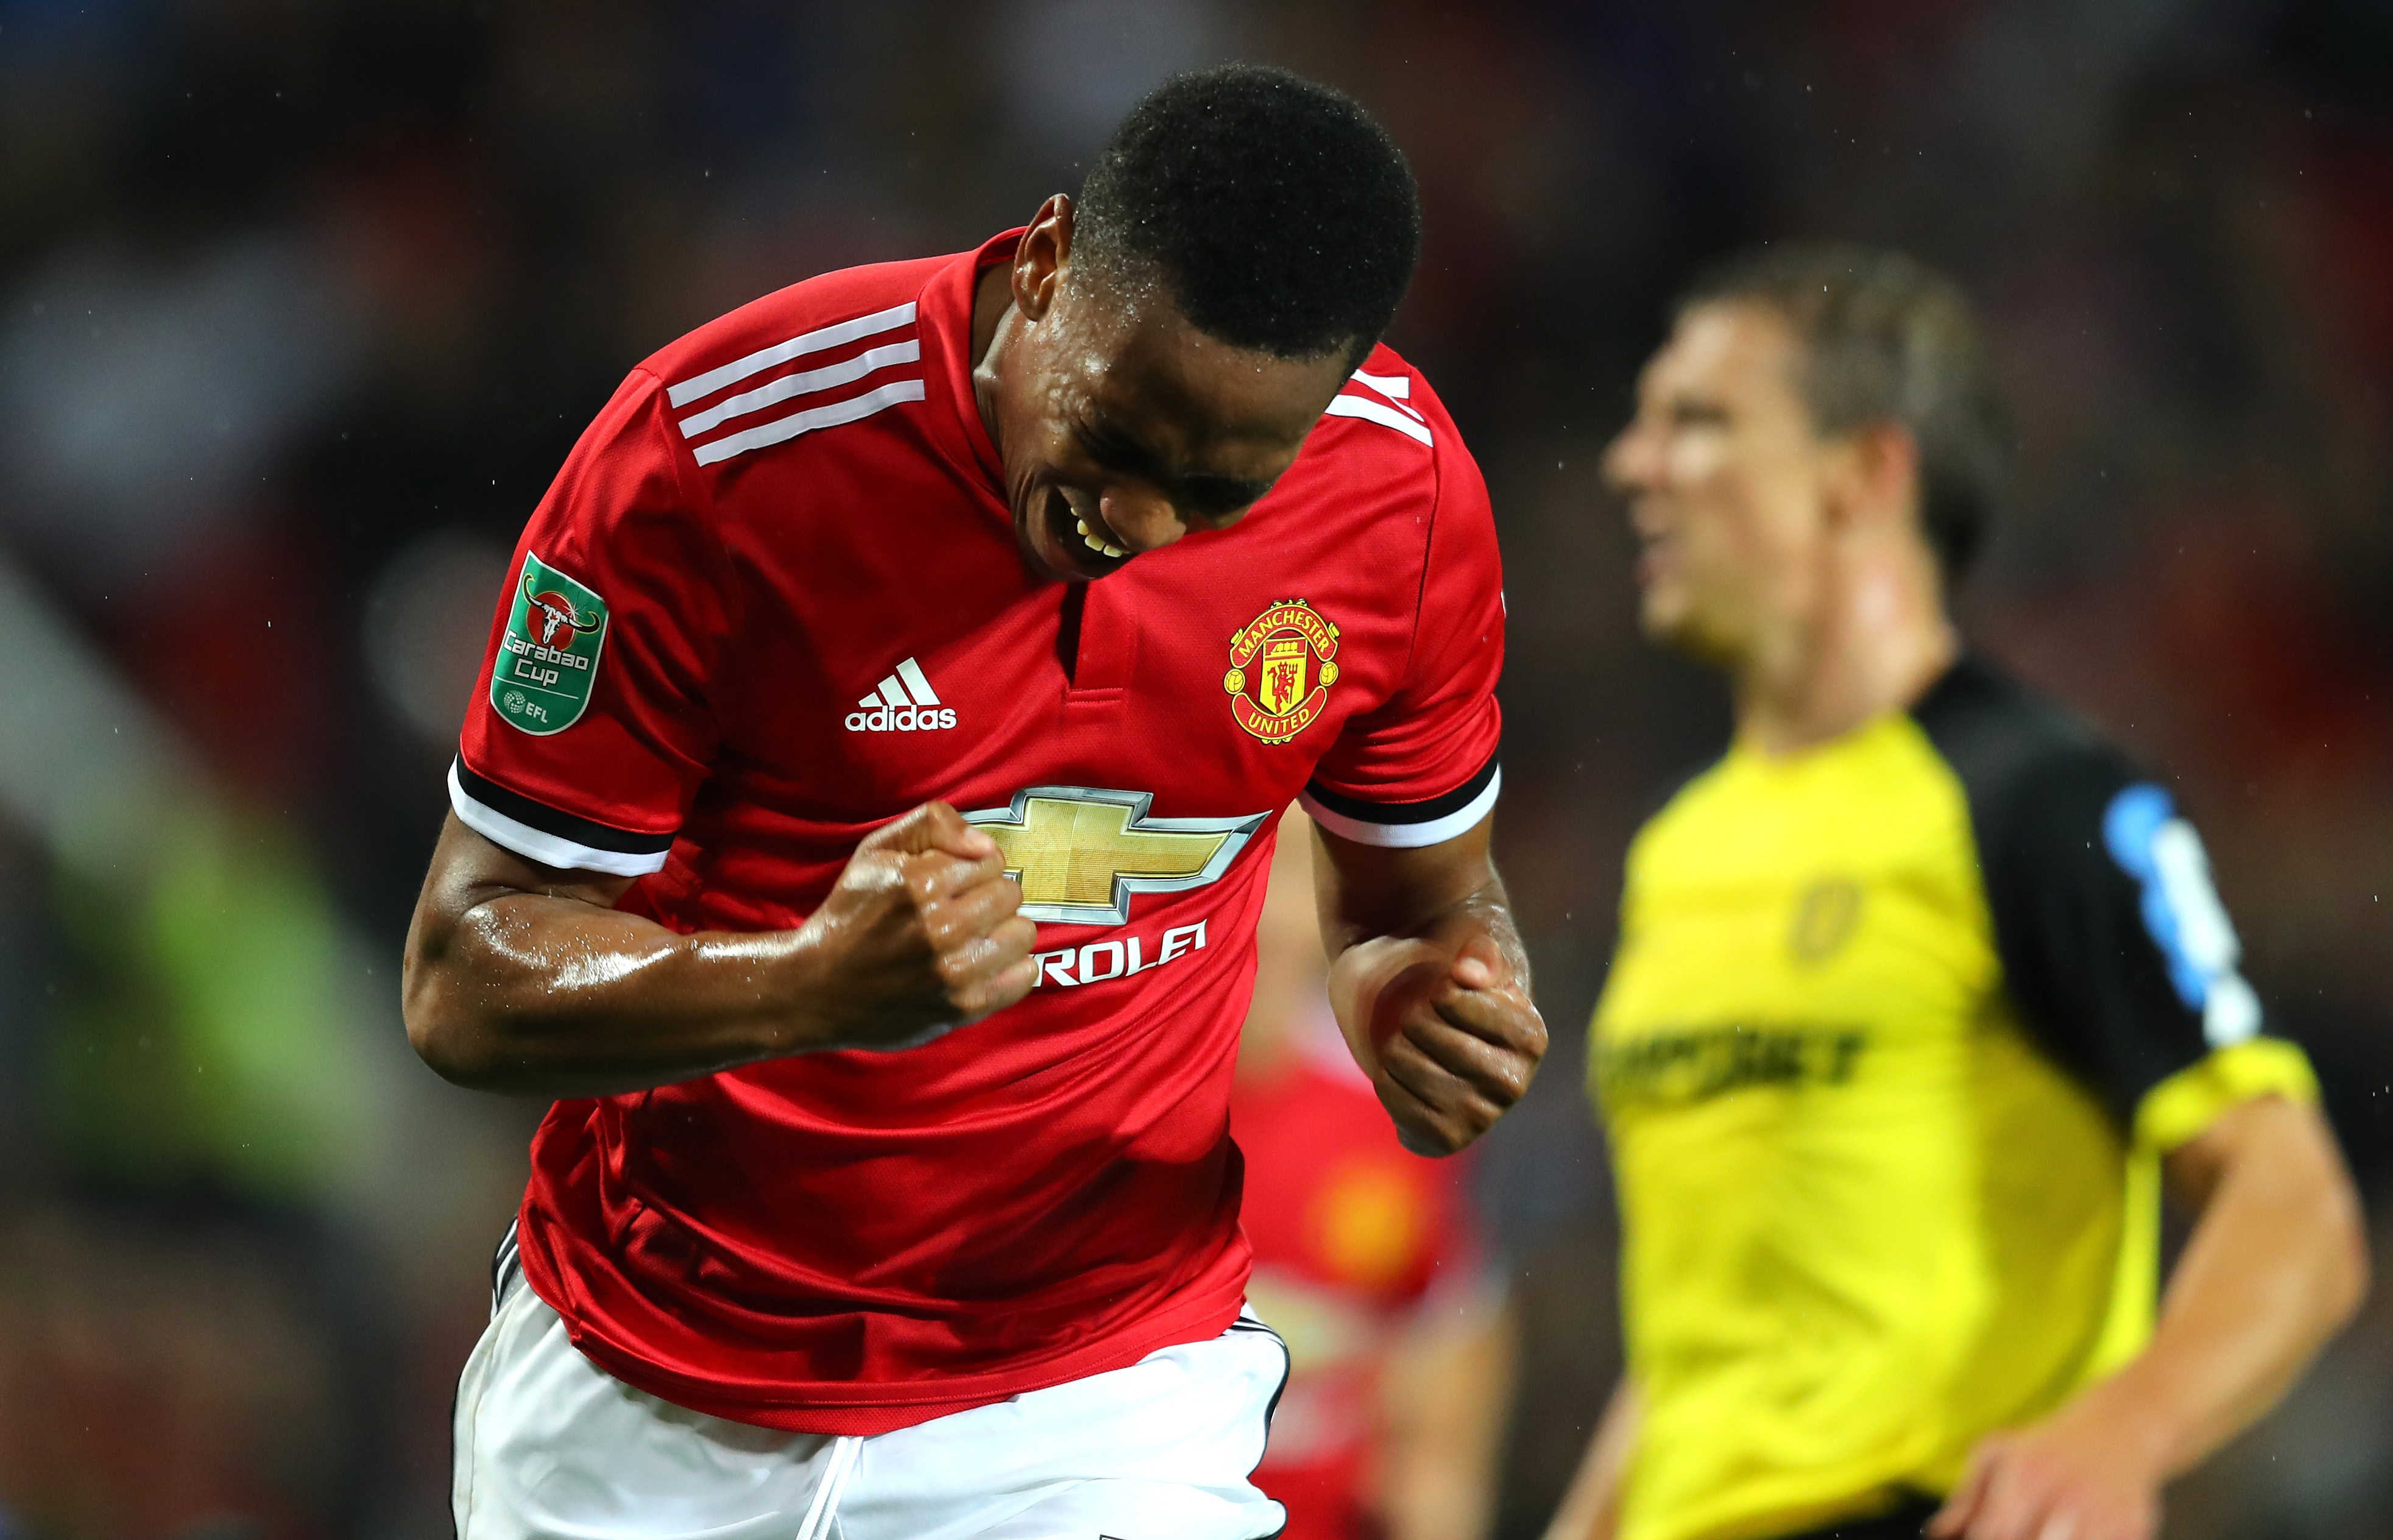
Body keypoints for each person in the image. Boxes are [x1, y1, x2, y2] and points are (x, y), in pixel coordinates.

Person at [400, 65, 1548, 1540]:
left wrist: (1424, 994)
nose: (1136, 524)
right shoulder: (718, 456)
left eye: (1216, 494)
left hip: (1094, 1396)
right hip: (650, 1390)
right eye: (1117, 436)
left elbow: (1423, 907)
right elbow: (462, 978)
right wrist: (804, 982)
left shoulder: (1402, 504)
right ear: (1049, 259)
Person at [1543, 245, 2369, 1540]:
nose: (1629, 465)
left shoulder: (2035, 798)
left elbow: (2295, 1205)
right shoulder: (1680, 849)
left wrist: (2120, 1432)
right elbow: (1697, 1340)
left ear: (1862, 473)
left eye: (1695, 422)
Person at [1233, 805, 1515, 1540]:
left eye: (1296, 871)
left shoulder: (1394, 1118)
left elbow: (1451, 1331)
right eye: (1240, 869)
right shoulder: (1087, 1106)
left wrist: (1438, 1474)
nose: (1266, 912)